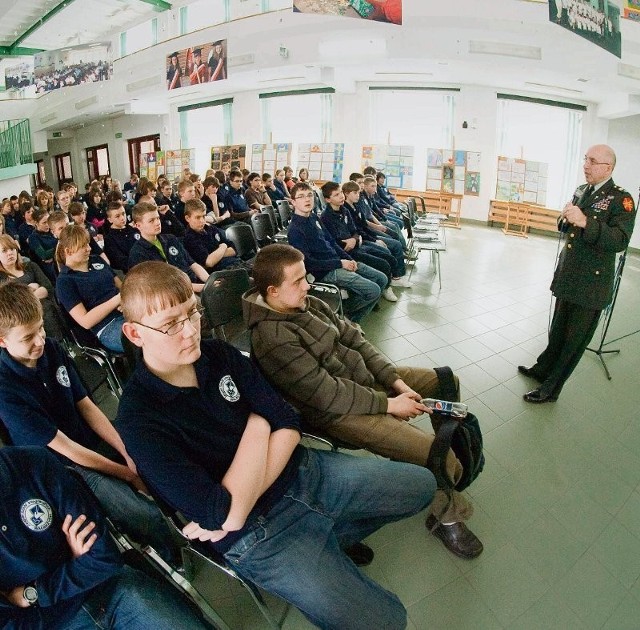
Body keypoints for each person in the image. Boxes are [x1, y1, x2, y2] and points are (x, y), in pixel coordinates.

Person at [115, 260, 436, 629]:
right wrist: (258, 423)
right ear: (135, 334)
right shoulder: (139, 420)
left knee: (421, 486)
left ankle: (329, 539)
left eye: (193, 313)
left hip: (302, 472)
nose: (189, 331)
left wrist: (238, 499)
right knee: (387, 621)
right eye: (171, 324)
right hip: (259, 535)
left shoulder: (218, 355)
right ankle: (324, 547)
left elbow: (288, 421)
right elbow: (225, 514)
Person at [243, 244, 484, 559]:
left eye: (306, 277)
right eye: (299, 281)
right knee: (439, 456)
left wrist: (396, 383)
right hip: (336, 413)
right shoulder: (272, 339)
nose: (308, 285)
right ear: (272, 291)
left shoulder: (305, 303)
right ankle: (446, 515)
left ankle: (423, 457)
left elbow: (355, 338)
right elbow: (327, 393)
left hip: (361, 383)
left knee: (445, 380)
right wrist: (390, 404)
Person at [0, 282, 177, 562]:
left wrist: (127, 451)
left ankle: (181, 519)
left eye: (41, 328)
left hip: (84, 440)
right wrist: (127, 472)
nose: (40, 340)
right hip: (62, 468)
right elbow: (67, 449)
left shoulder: (52, 349)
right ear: (2, 341)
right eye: (27, 338)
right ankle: (177, 553)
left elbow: (86, 406)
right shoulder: (5, 389)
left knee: (154, 456)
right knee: (138, 511)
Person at [0, 445, 209, 629]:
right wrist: (75, 565)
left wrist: (32, 594)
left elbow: (103, 558)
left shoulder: (32, 462)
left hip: (111, 588)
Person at [520, 144, 637, 403]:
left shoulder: (621, 199)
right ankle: (542, 370)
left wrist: (586, 221)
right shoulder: (582, 190)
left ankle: (551, 390)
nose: (586, 165)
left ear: (608, 167)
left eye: (592, 161)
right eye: (585, 159)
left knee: (573, 342)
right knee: (558, 329)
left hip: (591, 285)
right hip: (569, 275)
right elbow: (568, 227)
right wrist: (564, 218)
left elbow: (619, 239)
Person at [287, 181, 386, 323]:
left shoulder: (313, 217)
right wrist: (340, 263)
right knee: (373, 290)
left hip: (339, 262)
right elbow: (308, 264)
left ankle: (344, 314)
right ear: (293, 202)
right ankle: (349, 320)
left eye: (309, 195)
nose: (307, 199)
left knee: (381, 278)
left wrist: (348, 259)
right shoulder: (295, 229)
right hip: (325, 271)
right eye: (301, 196)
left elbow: (331, 241)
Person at [55, 225, 124, 352]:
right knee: (146, 337)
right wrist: (117, 300)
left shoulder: (96, 259)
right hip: (107, 326)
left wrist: (126, 301)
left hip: (127, 311)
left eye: (88, 244)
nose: (89, 248)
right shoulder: (64, 281)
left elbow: (121, 287)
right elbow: (86, 321)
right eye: (83, 246)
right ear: (68, 252)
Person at [128, 202, 209, 294]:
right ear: (138, 225)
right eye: (151, 220)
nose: (157, 223)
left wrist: (209, 280)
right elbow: (161, 286)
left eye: (158, 218)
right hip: (175, 295)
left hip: (196, 284)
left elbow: (192, 264)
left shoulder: (171, 239)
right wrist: (203, 287)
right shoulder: (138, 254)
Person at [0, 235, 62, 338]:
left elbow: (48, 288)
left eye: (12, 249)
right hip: (22, 322)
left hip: (47, 313)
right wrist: (30, 289)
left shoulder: (31, 266)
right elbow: (11, 305)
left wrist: (24, 297)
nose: (10, 253)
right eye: (4, 251)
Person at [183, 199, 252, 273]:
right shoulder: (190, 238)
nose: (202, 220)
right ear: (187, 218)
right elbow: (209, 262)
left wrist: (216, 254)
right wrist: (223, 246)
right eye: (197, 217)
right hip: (223, 271)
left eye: (204, 216)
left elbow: (234, 249)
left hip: (237, 263)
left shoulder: (210, 228)